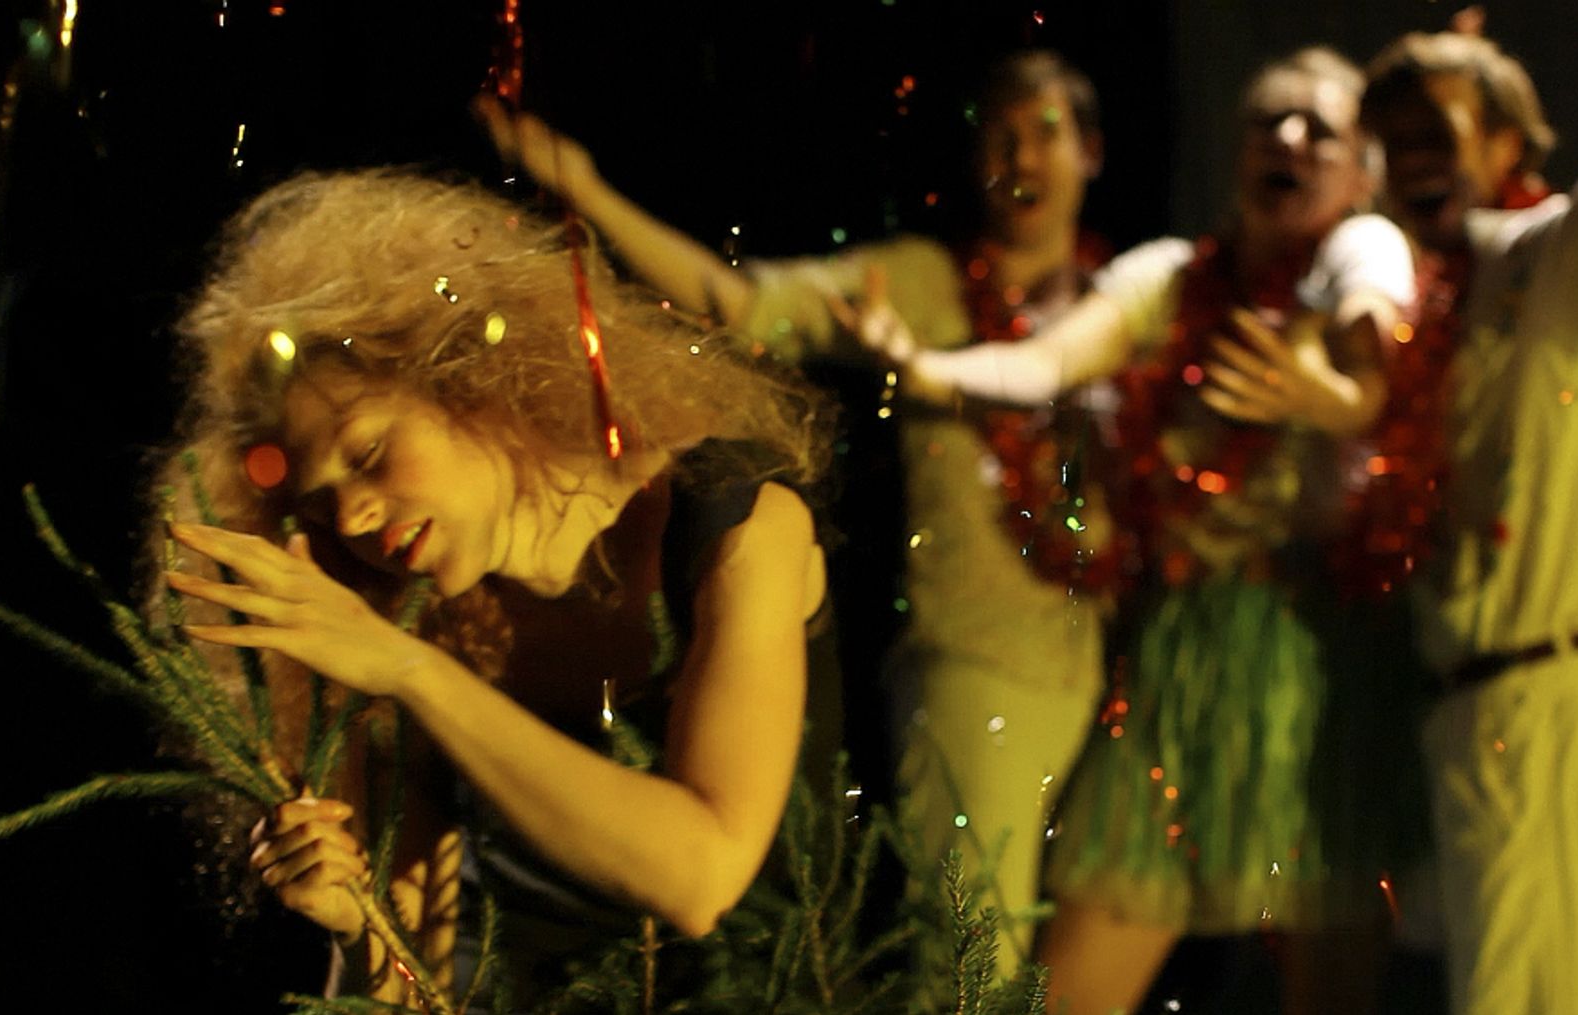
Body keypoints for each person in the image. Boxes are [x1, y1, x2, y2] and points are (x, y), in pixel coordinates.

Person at [476, 50, 1114, 968]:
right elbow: (739, 302)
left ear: (1092, 151)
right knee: (977, 961)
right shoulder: (922, 283)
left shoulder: (1125, 300)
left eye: (1045, 132)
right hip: (978, 665)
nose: (1021, 158)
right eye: (1000, 137)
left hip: (1107, 662)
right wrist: (588, 192)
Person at [163, 168, 833, 1001]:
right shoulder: (413, 615)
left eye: (368, 453)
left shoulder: (734, 517)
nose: (355, 517)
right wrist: (355, 922)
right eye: (321, 505)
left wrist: (410, 669)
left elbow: (701, 877)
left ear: (473, 380)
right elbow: (407, 988)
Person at [888, 47, 1417, 1015]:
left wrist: (1336, 397)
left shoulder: (1362, 247)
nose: (1287, 139)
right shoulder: (1169, 276)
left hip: (1320, 665)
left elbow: (1372, 334)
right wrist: (930, 367)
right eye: (1266, 121)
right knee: (1065, 991)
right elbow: (1045, 364)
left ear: (1361, 170)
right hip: (1179, 658)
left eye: (1318, 128)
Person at [1360, 2, 1578, 1011]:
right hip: (1475, 720)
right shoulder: (1415, 309)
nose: (1414, 156)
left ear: (1509, 145)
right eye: (1394, 139)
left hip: (1563, 711)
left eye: (1438, 129)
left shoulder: (1544, 258)